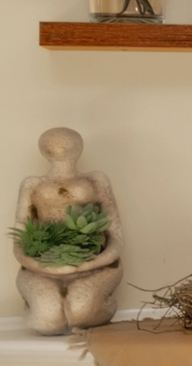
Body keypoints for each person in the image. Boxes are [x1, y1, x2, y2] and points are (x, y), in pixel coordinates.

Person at [15, 127, 122, 335]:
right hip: (43, 268)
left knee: (80, 313)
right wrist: (42, 266)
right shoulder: (32, 185)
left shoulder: (95, 181)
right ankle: (36, 304)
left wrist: (86, 264)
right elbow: (19, 241)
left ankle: (103, 304)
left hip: (95, 266)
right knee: (46, 320)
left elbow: (116, 239)